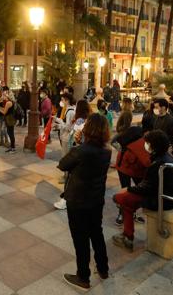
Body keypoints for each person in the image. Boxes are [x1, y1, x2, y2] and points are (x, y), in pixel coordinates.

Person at [59, 113, 111, 290]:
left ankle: (83, 277)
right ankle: (103, 269)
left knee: (80, 239)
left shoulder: (79, 151)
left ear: (88, 129)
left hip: (78, 201)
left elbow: (63, 164)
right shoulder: (107, 151)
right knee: (97, 233)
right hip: (96, 200)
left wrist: (77, 144)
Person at [113, 130, 173, 251]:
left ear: (154, 145)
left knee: (121, 198)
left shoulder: (158, 163)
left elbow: (146, 188)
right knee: (127, 203)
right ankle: (127, 235)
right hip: (164, 195)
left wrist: (127, 189)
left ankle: (128, 237)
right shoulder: (166, 157)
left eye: (148, 143)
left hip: (159, 199)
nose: (146, 145)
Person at [111, 111, 150, 226]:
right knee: (133, 189)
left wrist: (121, 150)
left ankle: (125, 214)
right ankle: (126, 213)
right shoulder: (136, 130)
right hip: (131, 164)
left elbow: (113, 142)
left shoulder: (124, 133)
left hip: (127, 164)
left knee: (127, 189)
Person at [54, 99, 92, 210]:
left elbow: (75, 136)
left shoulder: (80, 120)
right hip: (86, 151)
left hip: (77, 150)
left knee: (72, 177)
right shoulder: (89, 119)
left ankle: (66, 199)